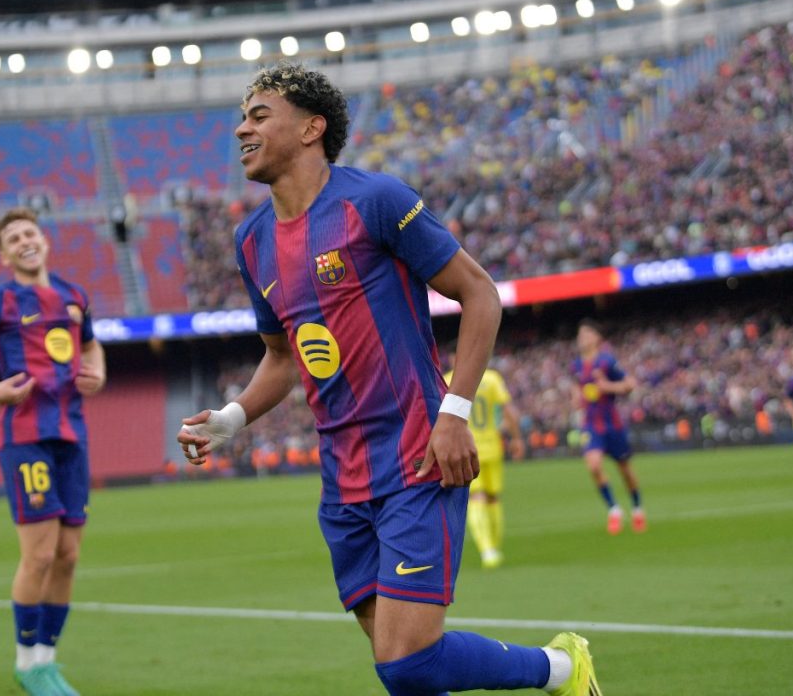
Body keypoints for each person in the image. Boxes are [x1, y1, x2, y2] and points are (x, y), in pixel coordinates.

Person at [178, 62, 601, 696]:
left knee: (406, 662)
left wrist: (454, 411)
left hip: (416, 456)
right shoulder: (251, 240)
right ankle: (563, 672)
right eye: (242, 117)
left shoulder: (373, 201)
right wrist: (233, 417)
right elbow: (283, 355)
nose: (242, 128)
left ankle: (563, 669)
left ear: (311, 128)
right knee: (404, 671)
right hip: (341, 478)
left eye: (260, 115)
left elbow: (480, 294)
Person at [0, 207, 105, 696]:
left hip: (73, 436)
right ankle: (26, 663)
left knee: (69, 556)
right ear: (4, 253)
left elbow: (92, 347)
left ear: (43, 240)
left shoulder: (75, 297)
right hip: (26, 437)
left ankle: (48, 662)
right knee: (40, 555)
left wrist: (99, 373)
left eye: (29, 233)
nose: (24, 242)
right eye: (13, 238)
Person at [444, 365, 525, 569]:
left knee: (476, 497)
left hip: (466, 446)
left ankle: (487, 550)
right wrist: (516, 438)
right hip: (493, 445)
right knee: (493, 497)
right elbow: (507, 410)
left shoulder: (448, 380)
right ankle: (496, 546)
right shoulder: (491, 378)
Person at [570, 319, 645, 535]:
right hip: (591, 425)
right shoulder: (576, 365)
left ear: (597, 338)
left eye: (586, 334)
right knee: (593, 465)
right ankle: (614, 509)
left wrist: (607, 386)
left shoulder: (607, 362)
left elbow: (630, 384)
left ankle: (637, 508)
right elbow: (576, 389)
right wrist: (576, 397)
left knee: (625, 471)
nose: (581, 338)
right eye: (579, 335)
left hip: (612, 423)